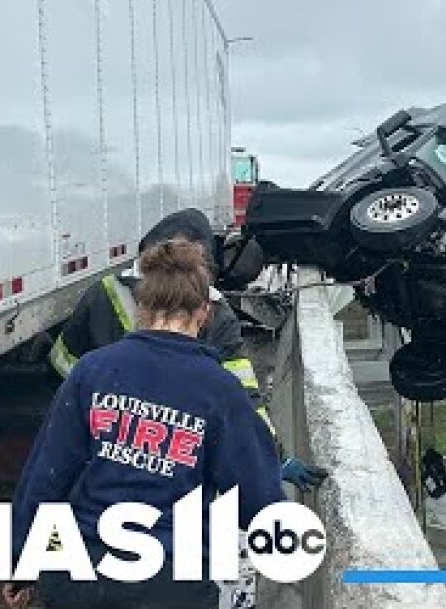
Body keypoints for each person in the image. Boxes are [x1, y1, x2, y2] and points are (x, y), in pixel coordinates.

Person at [3, 239, 285, 609]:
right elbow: (258, 502)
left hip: (80, 575)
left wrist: (22, 565)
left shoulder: (92, 371)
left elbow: (44, 480)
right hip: (169, 583)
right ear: (203, 312)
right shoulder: (220, 389)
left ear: (140, 307)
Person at [48, 209, 327, 494]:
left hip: (103, 459)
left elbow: (63, 365)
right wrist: (275, 459)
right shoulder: (216, 312)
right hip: (179, 466)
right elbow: (244, 399)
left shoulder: (102, 294)